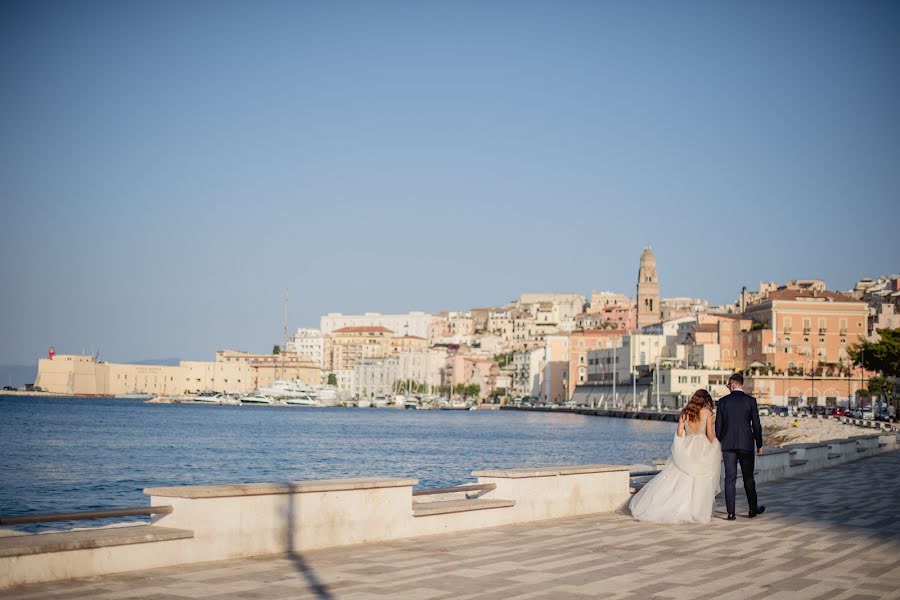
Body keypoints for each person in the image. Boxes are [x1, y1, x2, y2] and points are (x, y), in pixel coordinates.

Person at [629, 389, 722, 524]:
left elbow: (679, 433)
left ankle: (677, 508)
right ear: (705, 400)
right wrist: (718, 445)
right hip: (702, 447)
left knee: (681, 478)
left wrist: (681, 447)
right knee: (698, 480)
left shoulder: (685, 413)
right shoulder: (708, 413)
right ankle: (695, 510)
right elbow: (709, 434)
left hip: (687, 446)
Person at [715, 373, 765, 521]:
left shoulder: (723, 402)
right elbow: (756, 424)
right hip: (746, 444)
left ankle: (731, 513)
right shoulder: (751, 401)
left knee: (729, 478)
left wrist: (718, 444)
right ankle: (752, 509)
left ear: (732, 384)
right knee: (748, 477)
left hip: (728, 444)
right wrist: (759, 444)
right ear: (741, 384)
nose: (728, 387)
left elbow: (719, 426)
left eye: (728, 385)